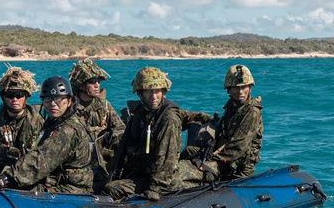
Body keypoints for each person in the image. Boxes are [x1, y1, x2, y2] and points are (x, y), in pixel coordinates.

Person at [0, 76, 93, 194]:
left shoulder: (68, 129)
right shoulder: (53, 124)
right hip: (55, 180)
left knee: (14, 189)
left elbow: (40, 160)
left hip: (72, 188)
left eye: (58, 99)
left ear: (69, 101)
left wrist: (4, 180)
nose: (53, 104)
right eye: (48, 100)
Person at [104, 67, 206, 200]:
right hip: (144, 172)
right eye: (149, 91)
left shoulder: (169, 118)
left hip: (164, 178)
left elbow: (165, 158)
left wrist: (155, 189)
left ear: (163, 92)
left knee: (112, 189)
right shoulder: (140, 114)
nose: (154, 96)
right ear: (140, 93)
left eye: (157, 91)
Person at [184, 64, 263, 180]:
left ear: (250, 88)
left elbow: (237, 147)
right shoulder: (231, 108)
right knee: (188, 151)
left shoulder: (252, 112)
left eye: (244, 87)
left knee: (183, 173)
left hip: (237, 169)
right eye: (236, 87)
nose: (240, 91)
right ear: (229, 90)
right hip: (223, 161)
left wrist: (211, 158)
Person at [68, 58, 125, 185]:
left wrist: (109, 137)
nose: (97, 85)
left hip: (102, 163)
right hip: (78, 164)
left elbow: (121, 129)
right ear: (81, 84)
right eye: (92, 81)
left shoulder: (103, 106)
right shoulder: (69, 108)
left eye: (98, 81)